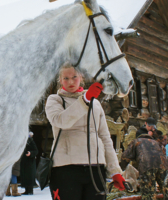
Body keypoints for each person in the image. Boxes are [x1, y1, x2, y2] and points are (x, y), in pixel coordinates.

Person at [45, 62, 125, 200]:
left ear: (81, 77)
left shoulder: (95, 103)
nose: (70, 81)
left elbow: (105, 138)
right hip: (65, 169)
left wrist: (114, 171)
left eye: (74, 77)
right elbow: (61, 121)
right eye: (66, 78)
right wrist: (85, 100)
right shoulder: (54, 100)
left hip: (95, 169)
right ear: (60, 80)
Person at [121, 131, 168, 200]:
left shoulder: (136, 141)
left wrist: (121, 169)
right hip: (163, 166)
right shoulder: (155, 142)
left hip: (147, 166)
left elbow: (125, 157)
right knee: (166, 189)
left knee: (149, 194)